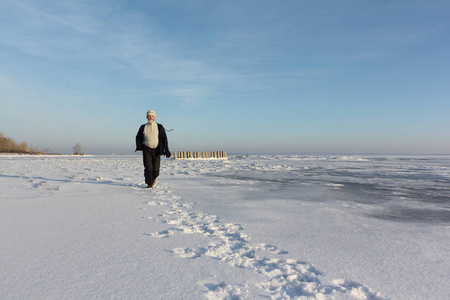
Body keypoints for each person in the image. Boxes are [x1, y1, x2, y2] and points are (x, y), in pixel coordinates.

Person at [135, 110, 171, 188]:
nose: (150, 117)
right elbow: (138, 137)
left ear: (154, 117)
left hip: (157, 150)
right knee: (148, 168)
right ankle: (149, 183)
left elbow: (164, 139)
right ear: (147, 117)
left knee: (156, 170)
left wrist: (166, 150)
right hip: (146, 149)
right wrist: (139, 145)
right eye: (149, 116)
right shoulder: (143, 127)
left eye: (152, 116)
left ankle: (153, 178)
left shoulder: (159, 126)